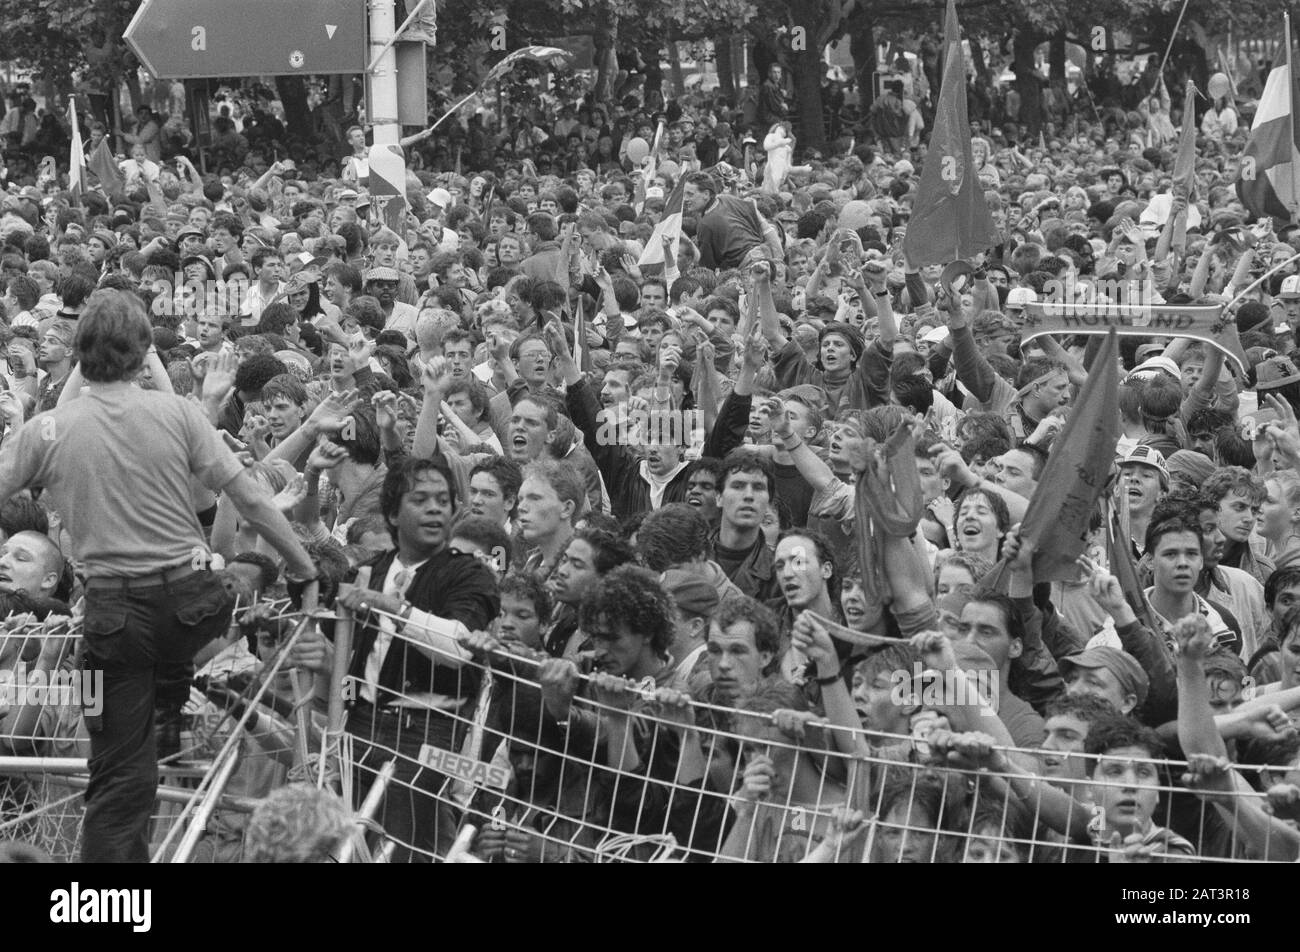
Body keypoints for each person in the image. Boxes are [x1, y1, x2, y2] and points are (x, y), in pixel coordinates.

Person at [0, 290, 317, 863]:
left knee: (117, 779)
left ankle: (109, 900)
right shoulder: (179, 415)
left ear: (80, 355)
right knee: (160, 681)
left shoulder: (47, 430)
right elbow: (249, 494)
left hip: (115, 622)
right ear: (145, 354)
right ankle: (166, 720)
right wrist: (303, 568)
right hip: (190, 609)